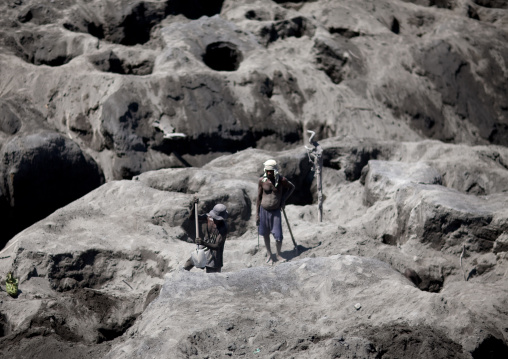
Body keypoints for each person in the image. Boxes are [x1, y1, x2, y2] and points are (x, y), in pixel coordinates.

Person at [256, 159, 295, 264]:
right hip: (264, 211)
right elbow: (258, 198)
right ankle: (269, 255)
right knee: (265, 234)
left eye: (271, 171)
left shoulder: (281, 180)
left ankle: (278, 254)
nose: (269, 173)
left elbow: (292, 187)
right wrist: (257, 215)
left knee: (278, 236)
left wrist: (283, 199)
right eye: (267, 171)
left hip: (275, 211)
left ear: (275, 171)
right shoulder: (262, 181)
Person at [183, 202, 229, 273]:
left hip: (215, 253)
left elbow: (217, 246)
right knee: (189, 263)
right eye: (215, 218)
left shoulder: (223, 228)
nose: (216, 221)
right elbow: (192, 218)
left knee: (213, 276)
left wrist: (203, 242)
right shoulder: (208, 217)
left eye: (218, 219)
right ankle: (182, 275)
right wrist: (194, 207)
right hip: (204, 246)